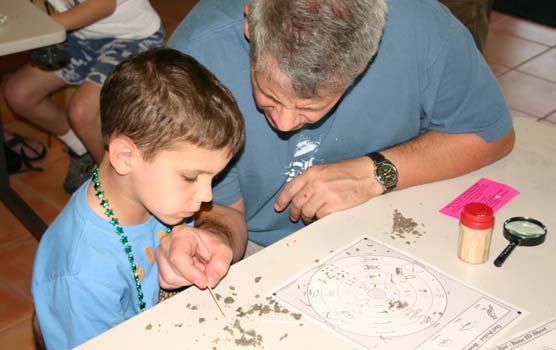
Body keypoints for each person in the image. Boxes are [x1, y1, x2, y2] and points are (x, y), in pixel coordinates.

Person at [157, 0, 515, 285]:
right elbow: (224, 213)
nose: (284, 123)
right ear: (251, 24)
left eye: (310, 107)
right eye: (269, 95)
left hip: (385, 228)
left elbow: (490, 134)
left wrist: (376, 172)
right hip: (257, 249)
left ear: (366, 59)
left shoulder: (424, 28)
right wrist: (217, 241)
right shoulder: (197, 59)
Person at [31, 48, 246, 349]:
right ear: (124, 157)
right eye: (190, 177)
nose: (207, 196)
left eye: (213, 178)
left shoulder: (155, 195)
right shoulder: (83, 274)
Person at [2, 0, 164, 193]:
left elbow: (102, 5)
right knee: (18, 93)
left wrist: (41, 29)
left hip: (134, 36)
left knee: (82, 112)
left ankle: (120, 188)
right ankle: (82, 148)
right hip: (80, 36)